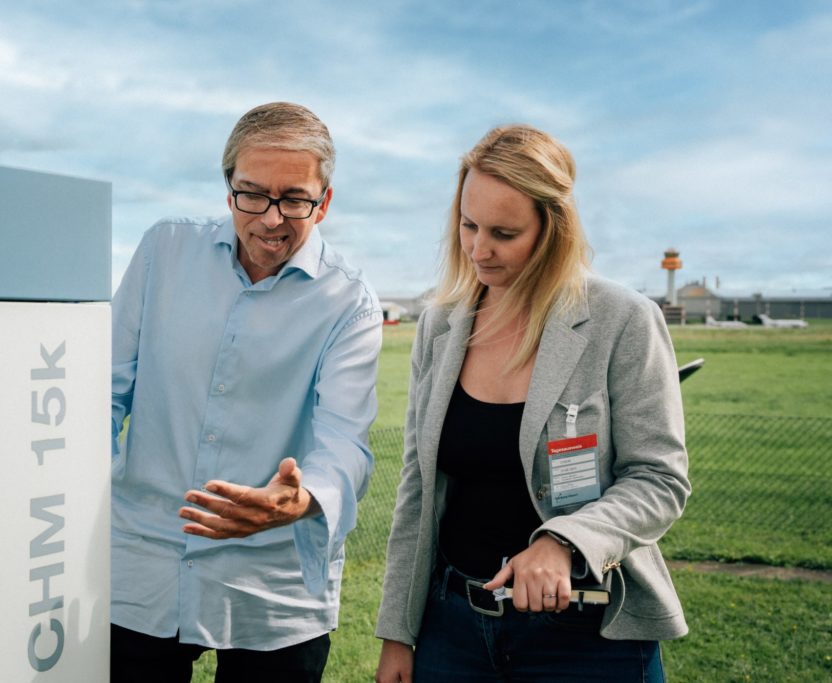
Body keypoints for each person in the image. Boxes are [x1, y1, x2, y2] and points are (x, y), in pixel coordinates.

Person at [374, 124, 691, 682]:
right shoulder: (440, 325)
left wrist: (564, 542)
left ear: (553, 229)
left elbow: (658, 480)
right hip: (454, 631)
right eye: (468, 225)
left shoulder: (623, 321)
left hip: (587, 640)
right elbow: (418, 489)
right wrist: (398, 632)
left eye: (504, 232)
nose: (478, 249)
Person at [110, 102, 382, 682]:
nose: (271, 219)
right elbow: (102, 395)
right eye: (252, 194)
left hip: (274, 587)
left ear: (325, 202)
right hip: (142, 564)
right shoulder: (162, 251)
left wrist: (302, 500)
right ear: (228, 189)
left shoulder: (351, 303)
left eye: (295, 199)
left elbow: (345, 444)